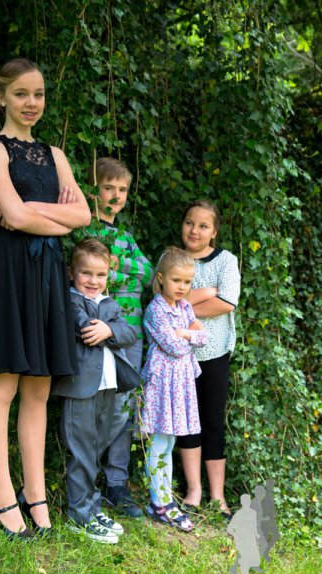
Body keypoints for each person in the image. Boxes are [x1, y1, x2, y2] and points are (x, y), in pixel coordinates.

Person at [0, 58, 91, 539]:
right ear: (1, 97)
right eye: (21, 94)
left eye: (38, 93)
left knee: (38, 385)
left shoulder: (55, 155)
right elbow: (12, 219)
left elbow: (83, 216)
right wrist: (45, 216)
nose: (31, 102)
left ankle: (36, 496)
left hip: (48, 273)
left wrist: (30, 208)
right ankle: (2, 498)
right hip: (10, 272)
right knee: (5, 383)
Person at [53, 238, 140, 543]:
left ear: (108, 277)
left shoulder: (110, 304)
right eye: (86, 273)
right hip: (80, 388)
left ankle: (91, 507)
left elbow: (130, 332)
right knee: (81, 452)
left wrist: (111, 329)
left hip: (107, 387)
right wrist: (108, 329)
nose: (93, 281)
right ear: (71, 272)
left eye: (100, 275)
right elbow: (85, 328)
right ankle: (79, 515)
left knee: (95, 450)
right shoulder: (71, 300)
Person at [85, 157, 154, 517]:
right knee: (96, 406)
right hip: (98, 331)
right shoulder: (85, 230)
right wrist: (115, 271)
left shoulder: (125, 237)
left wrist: (118, 265)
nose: (115, 195)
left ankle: (117, 483)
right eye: (108, 187)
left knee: (125, 409)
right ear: (93, 190)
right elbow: (89, 275)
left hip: (132, 333)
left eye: (122, 189)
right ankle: (85, 478)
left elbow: (150, 273)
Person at [176, 201, 240, 519]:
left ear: (214, 232)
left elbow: (227, 302)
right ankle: (193, 492)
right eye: (190, 223)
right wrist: (204, 294)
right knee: (186, 422)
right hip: (178, 356)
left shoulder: (226, 260)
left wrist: (183, 305)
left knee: (212, 422)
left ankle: (218, 496)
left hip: (214, 355)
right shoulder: (173, 259)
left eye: (203, 226)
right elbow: (164, 300)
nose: (195, 230)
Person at [139, 246, 208, 532]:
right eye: (176, 280)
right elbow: (175, 346)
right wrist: (188, 335)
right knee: (158, 443)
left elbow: (203, 337)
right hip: (162, 383)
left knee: (169, 443)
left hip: (180, 384)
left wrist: (185, 333)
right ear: (161, 278)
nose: (182, 287)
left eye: (187, 282)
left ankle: (165, 500)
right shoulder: (156, 309)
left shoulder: (184, 307)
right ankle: (159, 503)